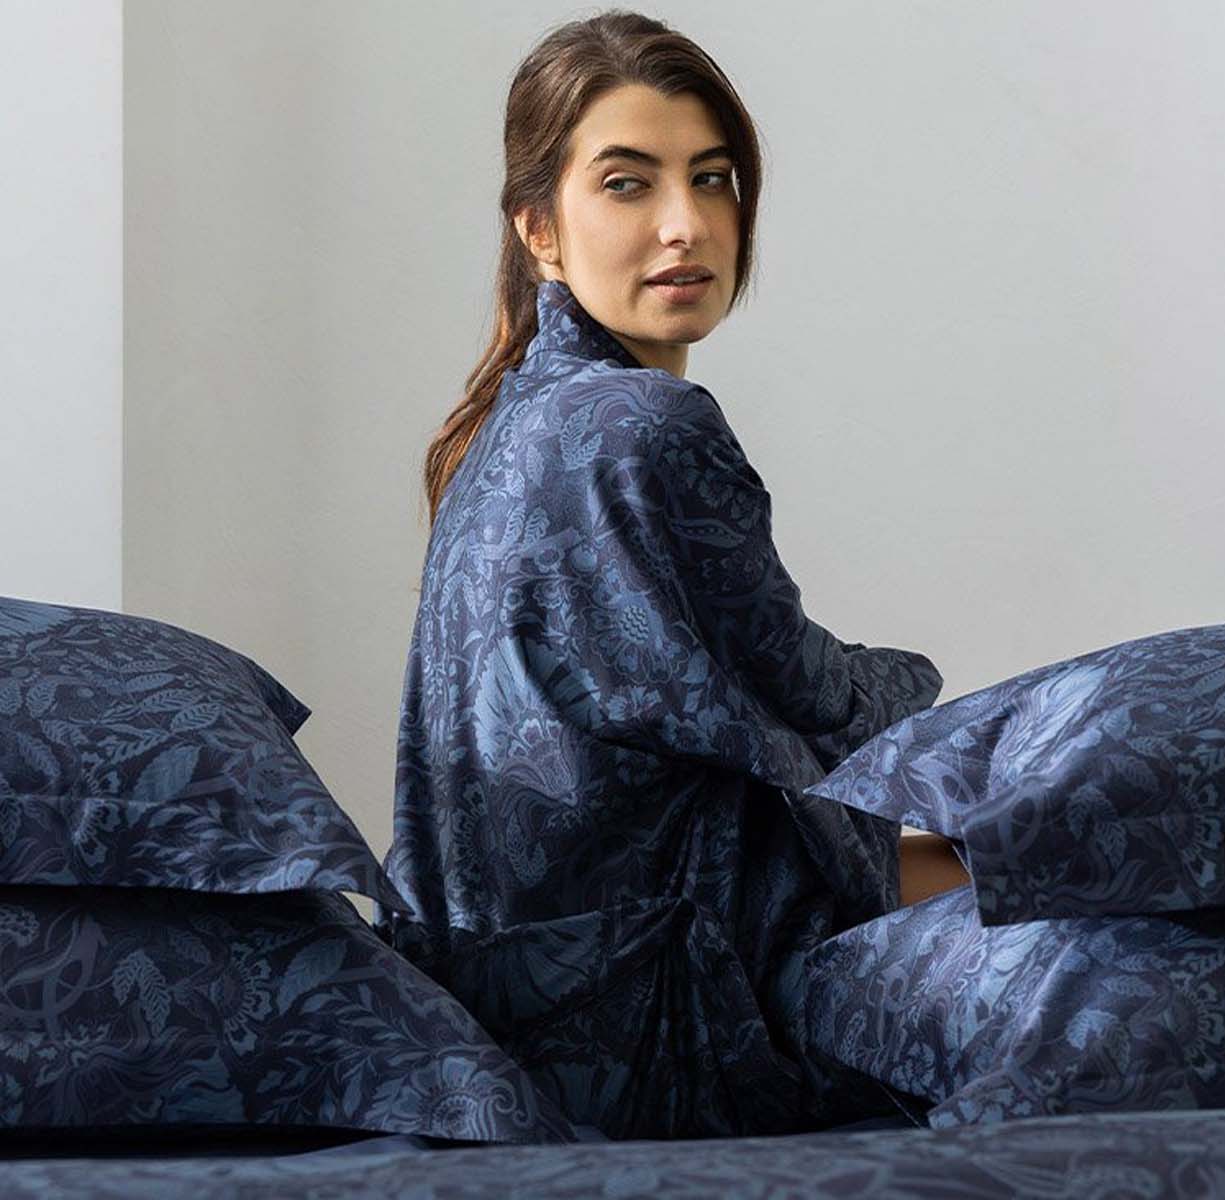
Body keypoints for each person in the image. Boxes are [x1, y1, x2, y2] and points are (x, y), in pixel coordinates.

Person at [374, 9, 968, 1140]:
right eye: (626, 184)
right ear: (539, 229)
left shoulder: (504, 425)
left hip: (500, 1001)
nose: (685, 225)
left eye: (712, 178)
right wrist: (953, 700)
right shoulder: (644, 425)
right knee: (1071, 867)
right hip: (652, 1011)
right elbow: (817, 701)